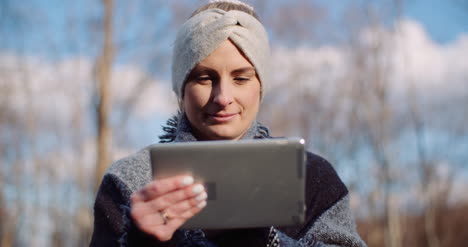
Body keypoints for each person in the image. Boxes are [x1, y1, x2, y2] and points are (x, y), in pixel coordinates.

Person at [90, 1, 367, 246]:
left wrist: (265, 241)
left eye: (241, 78)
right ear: (180, 89)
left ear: (261, 87)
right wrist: (144, 242)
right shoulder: (130, 182)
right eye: (204, 78)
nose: (223, 97)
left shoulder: (311, 178)